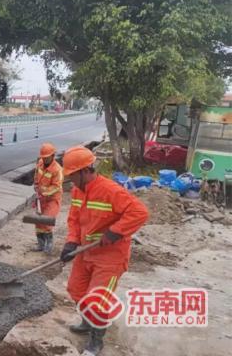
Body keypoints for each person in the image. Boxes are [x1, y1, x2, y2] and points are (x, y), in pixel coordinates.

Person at [59, 145, 149, 356]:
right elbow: (74, 219)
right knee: (76, 290)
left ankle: (96, 339)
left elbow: (140, 212)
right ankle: (87, 322)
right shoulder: (77, 191)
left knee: (97, 299)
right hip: (86, 252)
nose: (70, 179)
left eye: (72, 175)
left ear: (85, 171)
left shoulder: (111, 190)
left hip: (110, 257)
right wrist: (71, 242)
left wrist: (115, 231)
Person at [32, 142, 63, 253]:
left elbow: (56, 186)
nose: (44, 159)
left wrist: (44, 192)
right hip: (41, 198)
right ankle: (41, 244)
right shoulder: (40, 163)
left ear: (52, 156)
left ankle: (49, 244)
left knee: (47, 220)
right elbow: (37, 175)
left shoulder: (57, 169)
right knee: (38, 221)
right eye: (43, 157)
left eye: (46, 157)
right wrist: (36, 185)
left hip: (52, 199)